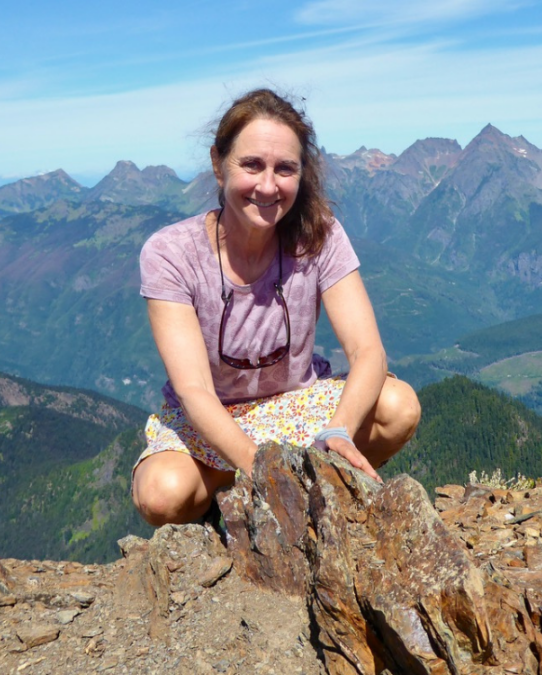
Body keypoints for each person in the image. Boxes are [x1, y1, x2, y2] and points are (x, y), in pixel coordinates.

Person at [131, 88, 421, 526]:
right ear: (218, 164)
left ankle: (325, 496)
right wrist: (262, 470)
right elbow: (194, 390)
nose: (268, 185)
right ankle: (230, 513)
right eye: (252, 165)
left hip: (296, 403)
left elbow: (369, 352)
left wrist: (337, 431)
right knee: (162, 495)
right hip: (211, 415)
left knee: (399, 406)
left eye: (285, 169)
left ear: (302, 175)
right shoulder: (171, 253)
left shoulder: (318, 235)